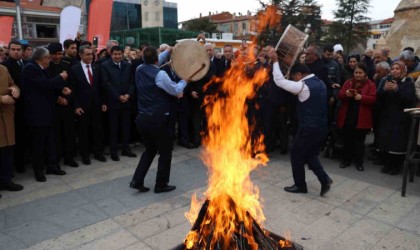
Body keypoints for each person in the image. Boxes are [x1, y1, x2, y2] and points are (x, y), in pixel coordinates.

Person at [269, 49, 333, 196]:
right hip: (321, 127)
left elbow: (279, 81)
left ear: (299, 75)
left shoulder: (303, 86)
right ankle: (325, 180)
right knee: (310, 155)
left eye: (294, 78)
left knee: (296, 155)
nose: (294, 81)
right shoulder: (320, 83)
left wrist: (275, 61)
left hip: (308, 128)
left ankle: (300, 186)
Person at [130, 46, 188, 193]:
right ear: (156, 59)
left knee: (149, 150)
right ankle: (161, 184)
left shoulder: (139, 69)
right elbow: (175, 90)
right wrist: (185, 81)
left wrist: (168, 51)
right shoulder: (160, 75)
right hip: (158, 119)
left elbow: (153, 60)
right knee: (165, 151)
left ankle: (137, 180)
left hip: (142, 118)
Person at [21, 47, 71, 182]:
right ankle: (39, 171)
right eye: (48, 57)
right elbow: (45, 85)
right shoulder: (30, 68)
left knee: (50, 141)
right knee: (39, 144)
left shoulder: (42, 68)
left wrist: (61, 89)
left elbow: (50, 87)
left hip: (48, 111)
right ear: (42, 59)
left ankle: (52, 166)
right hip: (37, 114)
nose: (50, 60)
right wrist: (60, 78)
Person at [69, 45, 107, 165]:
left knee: (98, 130)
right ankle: (85, 155)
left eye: (92, 54)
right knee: (83, 132)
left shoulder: (97, 68)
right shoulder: (74, 69)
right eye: (87, 54)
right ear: (80, 55)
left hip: (97, 105)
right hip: (83, 106)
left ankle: (98, 152)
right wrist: (76, 106)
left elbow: (102, 87)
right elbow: (73, 90)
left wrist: (104, 102)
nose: (90, 56)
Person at [376, 61, 416, 175]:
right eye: (393, 68)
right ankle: (387, 164)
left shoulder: (408, 81)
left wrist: (396, 90)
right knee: (386, 140)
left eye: (397, 69)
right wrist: (384, 90)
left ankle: (396, 166)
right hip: (387, 116)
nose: (394, 71)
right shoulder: (385, 80)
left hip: (400, 117)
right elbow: (378, 96)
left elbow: (409, 98)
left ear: (403, 70)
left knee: (397, 142)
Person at [336, 62, 377, 171]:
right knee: (347, 140)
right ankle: (346, 160)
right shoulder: (348, 82)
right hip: (348, 115)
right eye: (356, 72)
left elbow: (373, 99)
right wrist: (346, 94)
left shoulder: (370, 84)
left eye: (360, 73)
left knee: (359, 142)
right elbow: (340, 94)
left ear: (365, 74)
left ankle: (359, 162)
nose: (358, 75)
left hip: (361, 117)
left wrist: (362, 97)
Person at [47, 42, 79, 168]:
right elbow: (46, 85)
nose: (58, 57)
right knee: (56, 135)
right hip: (54, 106)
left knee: (69, 133)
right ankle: (56, 159)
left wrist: (68, 98)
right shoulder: (46, 66)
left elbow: (73, 84)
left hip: (67, 104)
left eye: (60, 54)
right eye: (55, 54)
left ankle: (69, 158)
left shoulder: (66, 64)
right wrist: (58, 98)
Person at [101, 45, 136, 161]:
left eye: (120, 54)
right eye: (115, 54)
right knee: (113, 128)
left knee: (126, 126)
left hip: (126, 101)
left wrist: (128, 95)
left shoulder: (127, 65)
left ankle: (126, 149)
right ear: (111, 54)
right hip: (113, 102)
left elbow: (132, 82)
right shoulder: (105, 66)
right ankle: (114, 151)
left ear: (122, 54)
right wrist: (118, 96)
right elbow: (106, 84)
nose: (117, 56)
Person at [2, 41, 28, 173]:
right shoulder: (5, 66)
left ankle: (24, 160)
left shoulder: (26, 64)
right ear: (9, 50)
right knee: (15, 137)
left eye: (18, 49)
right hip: (12, 108)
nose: (16, 52)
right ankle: (18, 164)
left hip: (27, 105)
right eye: (13, 49)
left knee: (25, 135)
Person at [0, 65, 24, 195]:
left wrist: (15, 90)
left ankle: (6, 181)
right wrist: (1, 98)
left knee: (7, 151)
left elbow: (12, 84)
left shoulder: (3, 69)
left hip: (7, 117)